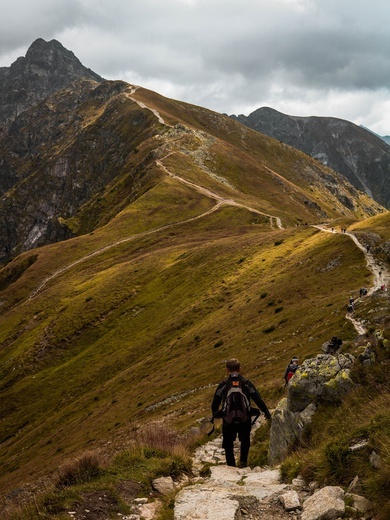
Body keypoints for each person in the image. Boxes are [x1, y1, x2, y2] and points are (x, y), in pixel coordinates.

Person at [211, 358, 271, 468]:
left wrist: (216, 414)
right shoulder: (247, 383)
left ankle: (231, 466)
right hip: (245, 419)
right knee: (245, 440)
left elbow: (215, 403)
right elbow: (258, 399)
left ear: (227, 370)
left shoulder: (223, 385)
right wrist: (266, 412)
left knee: (228, 444)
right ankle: (243, 463)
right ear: (240, 369)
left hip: (228, 421)